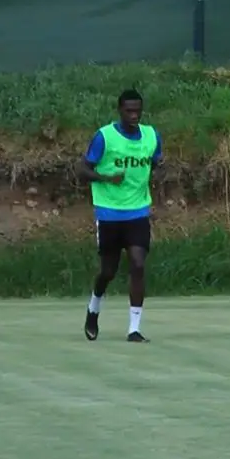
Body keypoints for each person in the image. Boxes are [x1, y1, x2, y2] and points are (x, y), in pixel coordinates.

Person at [81, 88, 163, 343]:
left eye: (137, 110)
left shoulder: (151, 135)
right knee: (108, 271)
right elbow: (82, 170)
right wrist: (106, 178)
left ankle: (134, 329)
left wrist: (149, 180)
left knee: (138, 263)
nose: (134, 115)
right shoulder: (105, 136)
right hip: (109, 212)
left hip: (138, 211)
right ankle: (93, 308)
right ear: (120, 111)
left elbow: (155, 163)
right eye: (129, 111)